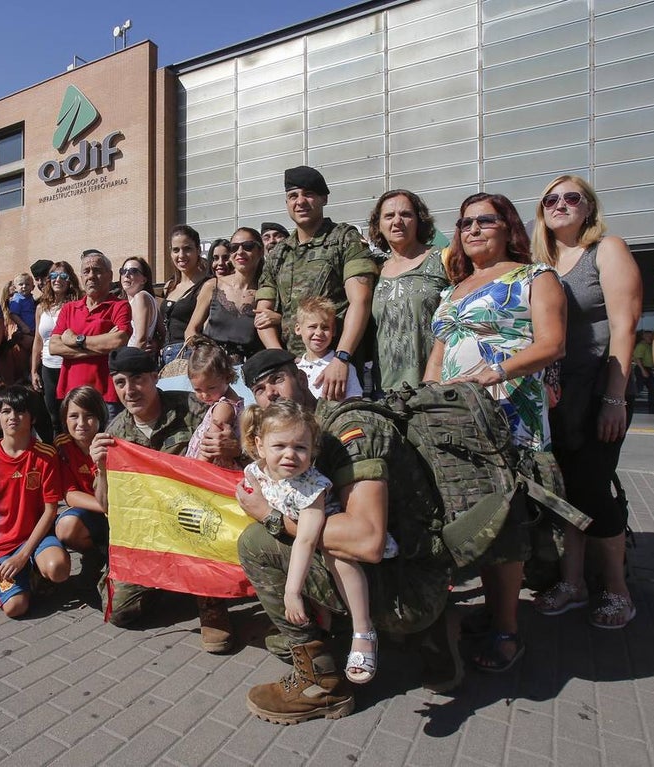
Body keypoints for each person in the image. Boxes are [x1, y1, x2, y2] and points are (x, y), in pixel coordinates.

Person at [235, 349, 457, 724]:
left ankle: (322, 684)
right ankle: (380, 633)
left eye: (277, 379)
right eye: (259, 388)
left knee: (255, 543)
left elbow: (367, 541)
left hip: (409, 585)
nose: (270, 392)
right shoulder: (299, 436)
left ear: (302, 378)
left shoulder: (349, 429)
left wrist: (272, 518)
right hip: (403, 569)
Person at [422, 192, 567, 674]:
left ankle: (507, 629)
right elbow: (439, 355)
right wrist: (427, 399)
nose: (473, 229)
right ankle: (490, 609)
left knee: (505, 517)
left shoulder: (535, 277)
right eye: (465, 223)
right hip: (456, 414)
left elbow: (552, 343)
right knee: (472, 511)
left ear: (508, 227)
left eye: (485, 220)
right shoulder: (454, 288)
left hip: (509, 408)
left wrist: (498, 371)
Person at [529, 175, 643, 629]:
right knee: (564, 490)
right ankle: (573, 582)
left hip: (598, 388)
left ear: (589, 207)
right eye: (550, 199)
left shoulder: (606, 250)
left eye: (571, 197)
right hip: (555, 395)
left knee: (592, 488)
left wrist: (615, 397)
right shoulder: (539, 263)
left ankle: (618, 589)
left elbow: (625, 327)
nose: (560, 204)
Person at [88, 346, 241, 653]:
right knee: (120, 611)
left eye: (138, 379)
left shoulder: (193, 406)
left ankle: (210, 601)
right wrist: (102, 469)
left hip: (197, 522)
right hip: (150, 533)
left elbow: (237, 422)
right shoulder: (115, 433)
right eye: (120, 382)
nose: (130, 390)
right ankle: (171, 580)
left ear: (155, 377)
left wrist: (234, 448)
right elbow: (106, 506)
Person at [240, 400, 378, 684]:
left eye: (300, 448)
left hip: (327, 535)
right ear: (260, 446)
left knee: (338, 557)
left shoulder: (311, 487)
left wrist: (292, 592)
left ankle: (363, 630)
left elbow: (306, 540)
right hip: (295, 531)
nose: (290, 454)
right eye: (280, 446)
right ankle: (322, 621)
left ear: (312, 451)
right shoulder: (257, 471)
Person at [255, 165, 377, 401]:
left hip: (336, 368)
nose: (300, 201)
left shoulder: (343, 239)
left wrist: (342, 357)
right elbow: (262, 315)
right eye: (293, 196)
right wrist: (283, 361)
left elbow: (360, 300)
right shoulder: (279, 253)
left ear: (324, 198)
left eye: (308, 194)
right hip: (292, 372)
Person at [0, 386, 72, 619]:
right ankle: (5, 585)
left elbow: (50, 510)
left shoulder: (46, 455)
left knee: (58, 569)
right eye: (6, 411)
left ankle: (34, 572)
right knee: (16, 608)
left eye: (20, 411)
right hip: (3, 544)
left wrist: (23, 555)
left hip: (38, 538)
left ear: (32, 417)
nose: (12, 417)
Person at [367, 189, 449, 393]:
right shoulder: (374, 271)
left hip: (435, 387)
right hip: (386, 391)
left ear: (419, 220)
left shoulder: (444, 259)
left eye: (405, 214)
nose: (397, 221)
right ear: (378, 225)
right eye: (389, 216)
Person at [48, 251, 131, 421]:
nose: (91, 276)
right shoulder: (69, 309)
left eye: (97, 270)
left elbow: (118, 341)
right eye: (86, 271)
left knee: (107, 438)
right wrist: (101, 346)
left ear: (110, 276)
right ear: (81, 277)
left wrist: (76, 340)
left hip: (106, 396)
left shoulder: (119, 306)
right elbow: (54, 347)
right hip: (73, 395)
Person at [53, 385, 109, 590]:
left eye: (89, 415)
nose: (81, 423)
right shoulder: (62, 445)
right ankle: (96, 555)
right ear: (64, 419)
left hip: (120, 514)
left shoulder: (111, 442)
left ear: (100, 417)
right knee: (66, 527)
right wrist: (105, 507)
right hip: (95, 510)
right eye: (74, 416)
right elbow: (70, 495)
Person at [186, 228, 265, 363]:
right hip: (213, 366)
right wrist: (203, 354)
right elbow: (191, 330)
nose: (240, 252)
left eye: (248, 246)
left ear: (260, 251)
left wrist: (277, 318)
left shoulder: (266, 290)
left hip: (252, 368)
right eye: (234, 248)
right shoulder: (213, 286)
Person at [31, 261, 82, 437]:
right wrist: (34, 370)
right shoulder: (41, 307)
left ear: (70, 280)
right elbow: (38, 340)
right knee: (54, 416)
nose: (57, 279)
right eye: (53, 276)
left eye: (63, 276)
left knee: (72, 412)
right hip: (48, 367)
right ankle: (59, 451)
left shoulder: (77, 304)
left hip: (69, 365)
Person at [183, 338, 245, 469]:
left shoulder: (223, 407)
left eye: (211, 388)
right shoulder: (228, 400)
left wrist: (196, 471)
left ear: (227, 377)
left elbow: (210, 447)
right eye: (198, 390)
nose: (205, 395)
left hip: (210, 468)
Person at [160, 225, 211, 366]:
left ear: (198, 250)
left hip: (191, 355)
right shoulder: (170, 286)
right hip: (165, 358)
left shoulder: (207, 284)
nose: (181, 255)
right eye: (176, 250)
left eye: (187, 249)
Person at [294, 297, 362, 401]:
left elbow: (354, 402)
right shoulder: (294, 369)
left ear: (333, 330)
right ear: (298, 329)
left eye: (325, 327)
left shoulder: (344, 369)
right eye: (312, 327)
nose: (319, 333)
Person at [119, 257, 160, 351]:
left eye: (133, 271)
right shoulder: (146, 300)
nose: (126, 275)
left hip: (134, 356)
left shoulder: (141, 297)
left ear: (144, 280)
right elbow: (163, 333)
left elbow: (141, 339)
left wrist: (132, 358)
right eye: (123, 271)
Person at [632, 330, 654, 414]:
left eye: (651, 337)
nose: (650, 338)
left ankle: (653, 408)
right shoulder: (641, 346)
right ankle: (629, 405)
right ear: (644, 337)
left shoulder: (649, 346)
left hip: (648, 369)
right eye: (648, 336)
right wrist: (643, 370)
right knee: (639, 388)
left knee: (652, 389)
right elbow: (637, 358)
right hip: (642, 368)